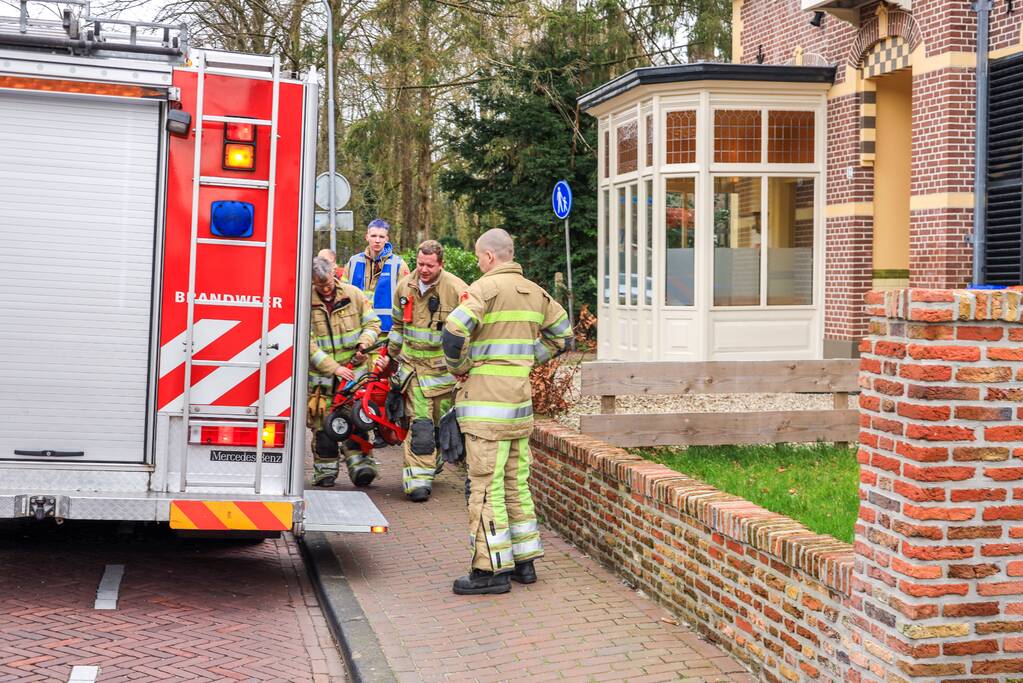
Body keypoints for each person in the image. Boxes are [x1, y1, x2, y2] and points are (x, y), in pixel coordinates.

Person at [441, 228, 573, 595]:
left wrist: (460, 367)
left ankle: (490, 570)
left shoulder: (483, 289)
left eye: (480, 257)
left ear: (488, 257)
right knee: (516, 483)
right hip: (519, 406)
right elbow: (564, 337)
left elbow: (452, 334)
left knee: (485, 487)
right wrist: (528, 359)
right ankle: (524, 562)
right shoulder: (536, 292)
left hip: (485, 408)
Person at [378, 240, 467, 502]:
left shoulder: (456, 289)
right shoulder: (405, 286)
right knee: (421, 427)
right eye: (420, 264)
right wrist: (389, 359)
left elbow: (469, 332)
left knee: (440, 428)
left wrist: (463, 368)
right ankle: (418, 481)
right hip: (413, 371)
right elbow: (397, 326)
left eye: (429, 265)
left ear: (441, 264)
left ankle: (431, 462)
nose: (424, 270)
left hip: (443, 376)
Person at [308, 257, 382, 487]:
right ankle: (325, 472)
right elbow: (306, 344)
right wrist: (335, 368)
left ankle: (361, 466)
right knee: (324, 429)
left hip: (355, 378)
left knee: (356, 421)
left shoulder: (353, 295)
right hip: (322, 383)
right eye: (320, 286)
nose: (326, 289)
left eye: (328, 283)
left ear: (334, 274)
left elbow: (373, 324)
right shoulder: (303, 302)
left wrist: (364, 344)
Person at [342, 219, 410, 335]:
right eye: (373, 236)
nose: (377, 240)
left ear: (386, 239)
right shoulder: (353, 262)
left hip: (387, 331)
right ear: (367, 237)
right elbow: (342, 294)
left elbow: (407, 300)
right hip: (357, 329)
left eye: (381, 237)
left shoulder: (399, 265)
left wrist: (401, 330)